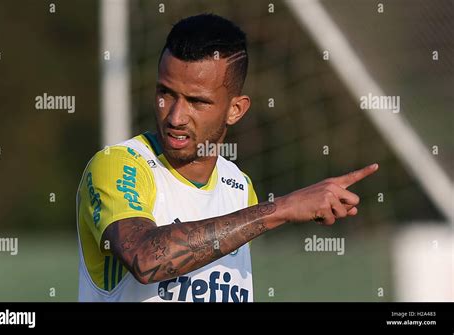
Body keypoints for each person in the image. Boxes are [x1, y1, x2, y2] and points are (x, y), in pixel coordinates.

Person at [76, 13, 378, 302]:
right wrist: (282, 209)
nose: (176, 116)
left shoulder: (238, 186)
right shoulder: (121, 164)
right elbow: (145, 258)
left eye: (197, 101)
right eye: (165, 93)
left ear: (236, 110)